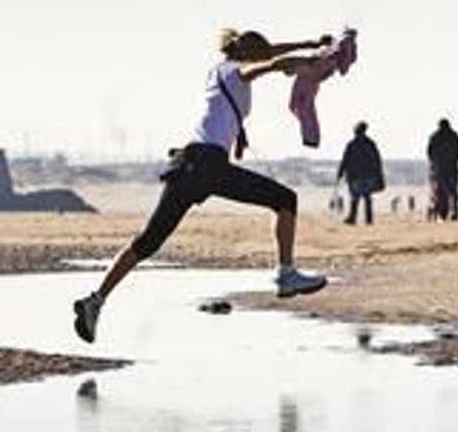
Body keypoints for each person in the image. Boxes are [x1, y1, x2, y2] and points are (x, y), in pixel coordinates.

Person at [71, 28, 330, 344]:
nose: (266, 56)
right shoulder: (239, 71)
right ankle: (286, 275)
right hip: (208, 165)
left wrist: (307, 43)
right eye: (261, 54)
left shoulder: (218, 70)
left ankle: (95, 300)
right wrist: (310, 59)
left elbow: (270, 53)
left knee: (148, 241)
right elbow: (272, 63)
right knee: (285, 199)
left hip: (188, 163)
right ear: (249, 55)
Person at [335, 121, 384, 226]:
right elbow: (377, 161)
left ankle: (352, 218)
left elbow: (345, 160)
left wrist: (340, 173)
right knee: (367, 198)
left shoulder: (352, 144)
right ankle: (368, 220)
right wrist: (378, 175)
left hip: (355, 175)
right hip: (368, 175)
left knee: (355, 198)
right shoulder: (370, 144)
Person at [427, 119, 458, 219]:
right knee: (453, 191)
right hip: (452, 168)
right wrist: (455, 160)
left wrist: (434, 163)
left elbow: (430, 152)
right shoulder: (454, 136)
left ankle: (440, 211)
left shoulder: (435, 136)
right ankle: (453, 210)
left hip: (439, 168)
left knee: (439, 191)